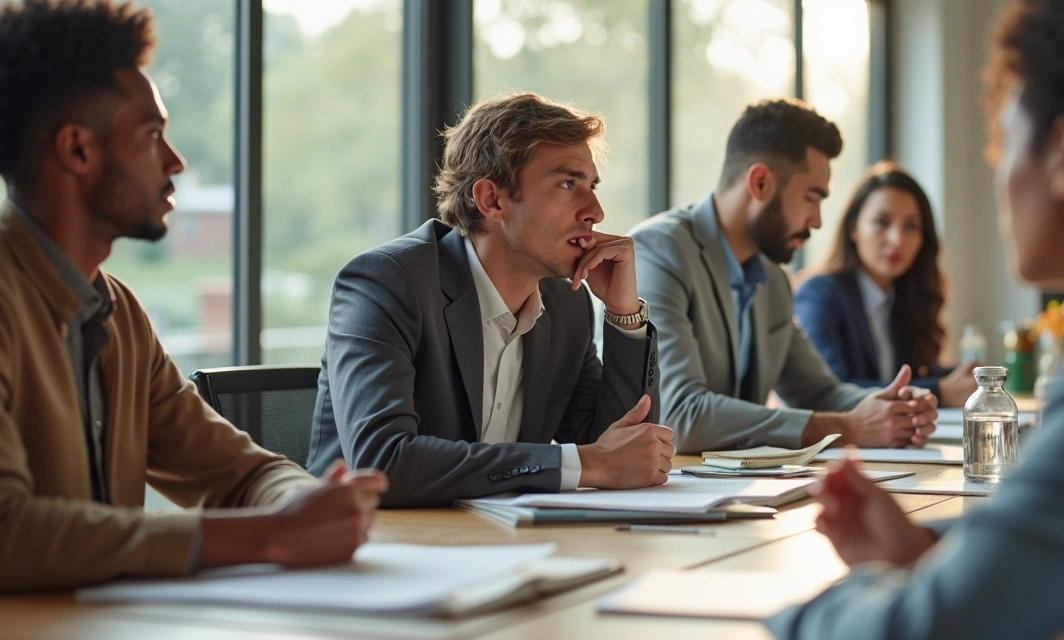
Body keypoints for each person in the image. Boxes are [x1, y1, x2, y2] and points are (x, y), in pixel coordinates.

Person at [769, 0, 1064, 637]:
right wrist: (926, 549)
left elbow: (925, 630)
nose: (997, 170)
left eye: (1002, 143)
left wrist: (786, 611)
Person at [0, 0, 387, 591]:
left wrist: (307, 504)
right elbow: (9, 532)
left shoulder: (118, 313)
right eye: (152, 134)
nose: (175, 161)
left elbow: (239, 471)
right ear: (77, 150)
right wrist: (268, 535)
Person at [307, 92, 672, 507]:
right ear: (491, 200)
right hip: (374, 545)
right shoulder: (386, 283)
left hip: (497, 543)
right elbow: (382, 462)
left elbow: (619, 449)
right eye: (567, 184)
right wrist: (584, 465)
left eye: (591, 186)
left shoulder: (566, 303)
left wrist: (624, 314)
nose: (596, 211)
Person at [630, 99, 938, 454]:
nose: (818, 220)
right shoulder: (658, 251)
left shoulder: (773, 280)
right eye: (812, 198)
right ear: (760, 183)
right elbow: (680, 416)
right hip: (665, 495)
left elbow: (819, 392)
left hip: (737, 492)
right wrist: (848, 427)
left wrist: (897, 406)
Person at [794, 161, 978, 407]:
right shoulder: (819, 294)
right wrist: (938, 391)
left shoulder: (903, 297)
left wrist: (968, 378)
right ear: (853, 229)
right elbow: (829, 391)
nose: (897, 239)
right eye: (882, 222)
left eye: (911, 226)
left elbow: (914, 374)